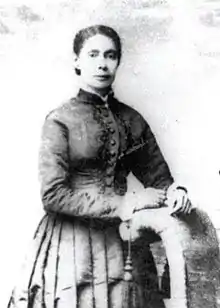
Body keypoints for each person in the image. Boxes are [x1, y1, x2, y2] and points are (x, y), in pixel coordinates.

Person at [8, 24, 192, 308]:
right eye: (93, 55)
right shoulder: (60, 120)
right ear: (77, 61)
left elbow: (158, 177)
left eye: (110, 55)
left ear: (118, 60)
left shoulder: (132, 119)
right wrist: (123, 203)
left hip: (125, 246)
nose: (102, 64)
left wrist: (174, 192)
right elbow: (53, 195)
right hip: (71, 246)